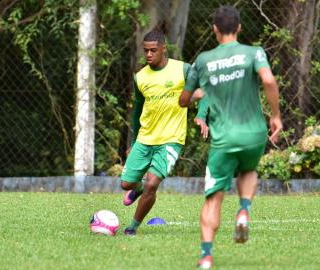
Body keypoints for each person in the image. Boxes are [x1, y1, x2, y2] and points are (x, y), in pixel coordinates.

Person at [179, 5, 283, 269]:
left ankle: (205, 256)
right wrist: (276, 116)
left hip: (224, 138)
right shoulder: (254, 52)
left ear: (214, 29)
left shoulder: (202, 61)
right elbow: (269, 80)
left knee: (213, 198)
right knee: (249, 169)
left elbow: (183, 100)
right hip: (254, 134)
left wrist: (200, 93)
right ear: (239, 28)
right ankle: (244, 210)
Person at [120, 30, 205, 235]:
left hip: (171, 139)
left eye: (153, 50)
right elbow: (138, 110)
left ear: (163, 49)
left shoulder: (183, 69)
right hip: (145, 138)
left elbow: (204, 91)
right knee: (126, 184)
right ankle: (136, 189)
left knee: (151, 184)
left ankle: (132, 227)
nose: (148, 55)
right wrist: (133, 140)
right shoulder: (140, 77)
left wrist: (201, 114)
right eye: (146, 51)